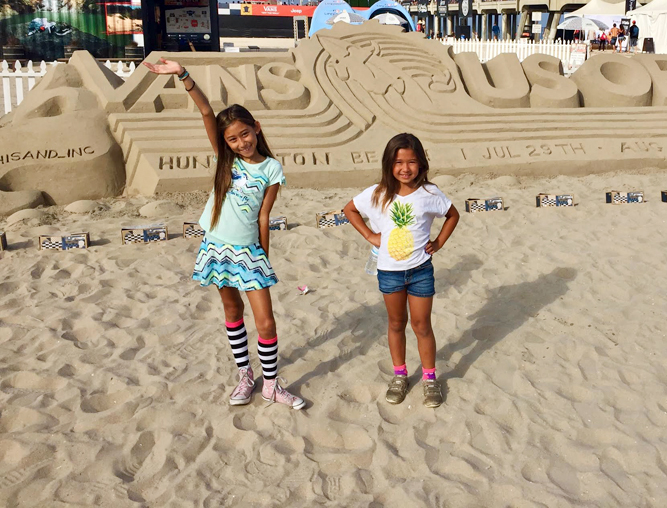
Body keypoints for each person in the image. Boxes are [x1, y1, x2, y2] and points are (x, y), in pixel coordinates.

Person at [143, 58, 306, 410]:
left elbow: (264, 215)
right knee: (232, 311)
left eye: (245, 134)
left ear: (257, 128)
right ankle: (245, 375)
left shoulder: (272, 168)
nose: (240, 142)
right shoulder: (225, 161)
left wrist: (264, 254)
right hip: (217, 247)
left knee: (265, 320)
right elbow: (205, 111)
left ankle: (272, 385)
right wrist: (182, 73)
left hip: (250, 252)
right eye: (232, 138)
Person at [344, 134, 460, 408]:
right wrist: (370, 235)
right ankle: (400, 375)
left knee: (422, 326)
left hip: (421, 270)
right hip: (390, 273)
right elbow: (350, 209)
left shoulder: (430, 194)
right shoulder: (377, 193)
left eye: (412, 162)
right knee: (396, 324)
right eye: (398, 162)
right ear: (389, 164)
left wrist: (439, 242)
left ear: (421, 164)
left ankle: (430, 378)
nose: (405, 168)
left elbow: (453, 214)